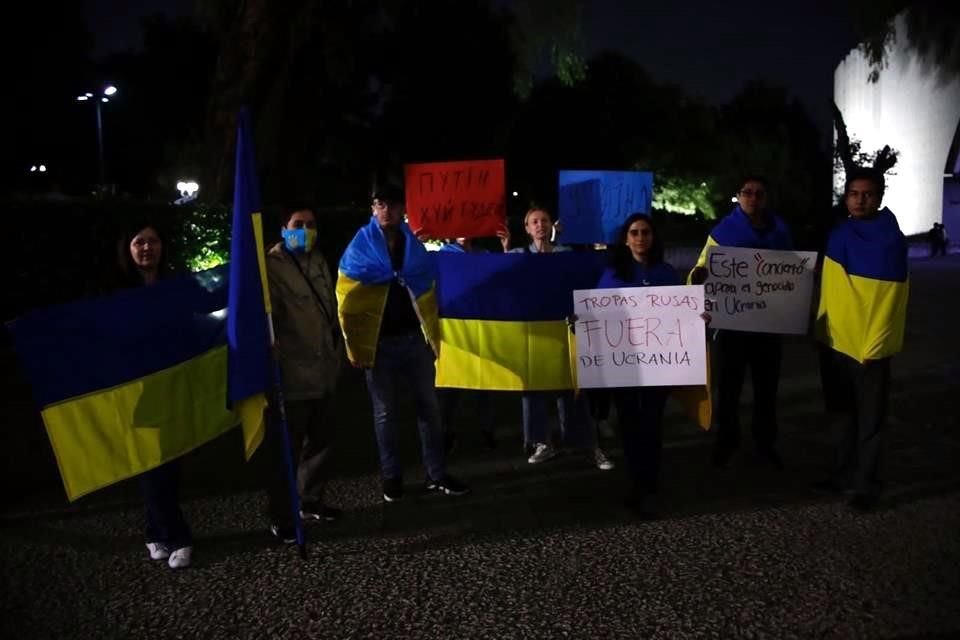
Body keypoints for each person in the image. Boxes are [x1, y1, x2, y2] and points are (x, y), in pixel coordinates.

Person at [337, 185, 470, 502]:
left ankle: (436, 474)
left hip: (414, 341)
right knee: (385, 413)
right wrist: (353, 346)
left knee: (430, 409)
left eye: (393, 205)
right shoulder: (359, 247)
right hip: (378, 345)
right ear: (373, 209)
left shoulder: (415, 247)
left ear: (402, 210)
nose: (387, 210)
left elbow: (430, 285)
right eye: (381, 204)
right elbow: (345, 298)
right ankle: (391, 477)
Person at [815, 167, 908, 510]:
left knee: (871, 418)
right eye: (854, 194)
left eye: (867, 194)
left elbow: (891, 299)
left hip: (868, 348)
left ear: (880, 197)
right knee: (841, 414)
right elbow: (829, 287)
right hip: (835, 342)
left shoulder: (891, 240)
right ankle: (842, 473)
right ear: (846, 197)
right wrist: (819, 328)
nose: (860, 200)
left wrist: (877, 345)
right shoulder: (839, 233)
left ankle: (866, 485)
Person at [689, 175, 793, 469]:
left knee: (766, 391)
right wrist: (697, 280)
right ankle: (726, 443)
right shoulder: (724, 231)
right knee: (729, 390)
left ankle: (765, 444)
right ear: (739, 196)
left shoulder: (781, 232)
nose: (753, 198)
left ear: (766, 197)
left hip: (769, 326)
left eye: (759, 193)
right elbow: (701, 268)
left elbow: (791, 277)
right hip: (732, 327)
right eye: (747, 192)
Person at [500, 207, 614, 470]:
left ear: (552, 225)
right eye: (534, 222)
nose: (540, 225)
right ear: (527, 229)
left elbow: (586, 277)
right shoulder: (517, 255)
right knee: (533, 389)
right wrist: (505, 249)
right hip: (533, 331)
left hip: (563, 329)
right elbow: (503, 280)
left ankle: (585, 443)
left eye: (544, 220)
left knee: (571, 386)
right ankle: (541, 442)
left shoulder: (566, 255)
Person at [262, 205, 344, 543]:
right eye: (298, 224)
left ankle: (310, 500)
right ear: (284, 228)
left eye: (311, 224)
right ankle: (281, 515)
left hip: (324, 370)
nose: (305, 230)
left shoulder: (319, 260)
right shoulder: (270, 266)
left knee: (321, 442)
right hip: (292, 374)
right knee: (287, 448)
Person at [115, 221, 192, 569]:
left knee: (169, 463)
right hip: (136, 390)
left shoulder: (176, 284)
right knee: (150, 464)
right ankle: (177, 535)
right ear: (128, 248)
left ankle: (153, 531)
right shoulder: (116, 290)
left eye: (153, 241)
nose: (147, 248)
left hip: (170, 385)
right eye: (139, 242)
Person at [595, 213, 682, 516]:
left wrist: (699, 320)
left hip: (660, 365)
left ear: (653, 237)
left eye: (646, 232)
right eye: (634, 232)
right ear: (626, 238)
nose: (641, 237)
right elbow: (598, 314)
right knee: (630, 424)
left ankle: (651, 483)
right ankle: (636, 483)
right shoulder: (613, 274)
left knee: (653, 423)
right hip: (626, 366)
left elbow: (682, 314)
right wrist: (580, 321)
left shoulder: (667, 273)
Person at [437, 238, 496, 451]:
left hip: (480, 325)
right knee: (450, 386)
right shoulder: (443, 254)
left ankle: (486, 429)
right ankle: (446, 432)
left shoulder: (486, 254)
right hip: (453, 328)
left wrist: (506, 248)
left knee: (483, 382)